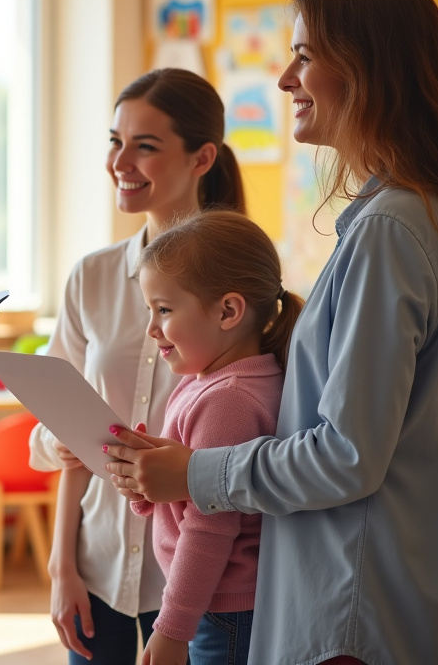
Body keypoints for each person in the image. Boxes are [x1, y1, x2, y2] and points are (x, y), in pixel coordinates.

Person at [104, 0, 438, 664]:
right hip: (384, 599)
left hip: (359, 610)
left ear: (366, 69)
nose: (284, 80)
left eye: (303, 56)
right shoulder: (418, 216)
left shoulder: (393, 230)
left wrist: (196, 474)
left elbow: (347, 457)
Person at [28, 67, 245, 664]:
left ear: (203, 158)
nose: (120, 161)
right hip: (95, 570)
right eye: (115, 141)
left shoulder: (240, 285)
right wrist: (60, 568)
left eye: (144, 146)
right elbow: (51, 440)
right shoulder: (91, 278)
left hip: (200, 578)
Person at [123, 210, 302, 665]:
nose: (152, 328)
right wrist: (144, 485)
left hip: (224, 610)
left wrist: (172, 628)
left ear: (228, 311)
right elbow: (188, 493)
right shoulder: (209, 380)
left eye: (164, 310)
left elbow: (209, 529)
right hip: (217, 604)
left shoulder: (230, 399)